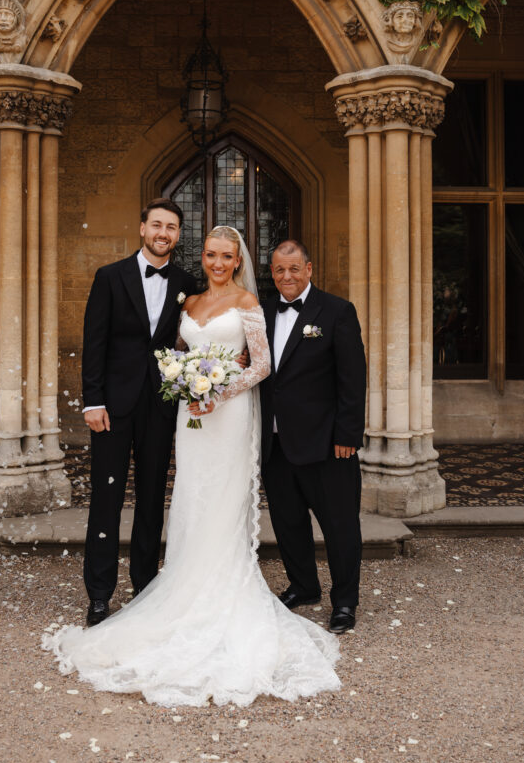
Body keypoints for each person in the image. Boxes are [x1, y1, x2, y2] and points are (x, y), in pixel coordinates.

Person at [44, 227, 341, 707]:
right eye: (210, 255)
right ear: (201, 257)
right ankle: (180, 583)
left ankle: (221, 593)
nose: (218, 262)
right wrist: (185, 382)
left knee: (223, 498)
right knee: (190, 495)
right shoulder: (188, 304)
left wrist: (216, 391)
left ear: (237, 260)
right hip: (190, 415)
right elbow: (175, 355)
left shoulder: (248, 303)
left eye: (226, 255)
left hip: (228, 414)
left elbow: (260, 365)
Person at [80, 198, 199, 626]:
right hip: (111, 407)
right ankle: (98, 593)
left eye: (171, 227)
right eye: (157, 225)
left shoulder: (188, 283)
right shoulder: (110, 277)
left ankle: (146, 586)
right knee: (106, 499)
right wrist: (92, 401)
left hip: (160, 405)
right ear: (143, 228)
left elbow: (191, 342)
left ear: (178, 235)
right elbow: (94, 342)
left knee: (151, 498)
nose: (163, 233)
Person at [260, 240, 366, 634]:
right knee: (288, 523)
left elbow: (352, 379)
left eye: (293, 269)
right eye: (278, 270)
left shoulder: (337, 311)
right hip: (277, 443)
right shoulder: (263, 312)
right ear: (272, 273)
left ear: (309, 269)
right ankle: (304, 586)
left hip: (327, 443)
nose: (286, 276)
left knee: (339, 526)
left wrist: (347, 434)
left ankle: (344, 602)